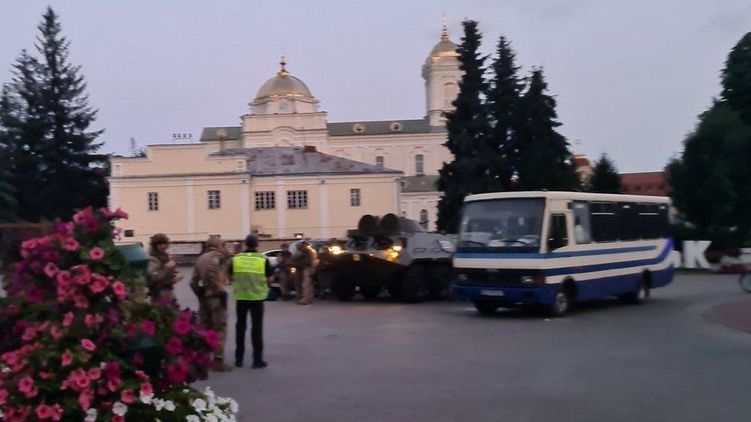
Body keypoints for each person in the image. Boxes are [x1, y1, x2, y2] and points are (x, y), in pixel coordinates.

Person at [191, 236, 233, 372]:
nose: (225, 248)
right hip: (215, 298)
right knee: (219, 328)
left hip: (204, 299)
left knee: (204, 328)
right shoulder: (217, 258)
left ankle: (203, 359)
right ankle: (218, 361)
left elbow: (193, 281)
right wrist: (218, 291)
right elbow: (212, 274)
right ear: (218, 246)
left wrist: (199, 293)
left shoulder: (200, 258)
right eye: (223, 245)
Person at [230, 234, 272, 368]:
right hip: (257, 298)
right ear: (257, 244)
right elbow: (270, 279)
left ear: (245, 244)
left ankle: (239, 359)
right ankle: (257, 360)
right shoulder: (263, 260)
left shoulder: (236, 259)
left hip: (241, 297)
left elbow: (230, 277)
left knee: (240, 328)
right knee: (257, 328)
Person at [146, 233, 183, 303]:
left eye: (165, 243)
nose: (163, 246)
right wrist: (166, 268)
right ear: (155, 245)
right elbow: (155, 277)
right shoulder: (153, 258)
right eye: (160, 244)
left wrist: (176, 274)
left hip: (168, 290)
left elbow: (168, 271)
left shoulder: (164, 255)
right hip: (159, 292)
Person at [293, 240, 318, 305]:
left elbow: (309, 262)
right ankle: (303, 297)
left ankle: (306, 299)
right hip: (302, 269)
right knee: (303, 284)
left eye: (300, 246)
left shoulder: (310, 252)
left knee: (306, 284)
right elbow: (294, 260)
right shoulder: (302, 252)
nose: (298, 248)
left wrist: (297, 264)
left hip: (308, 268)